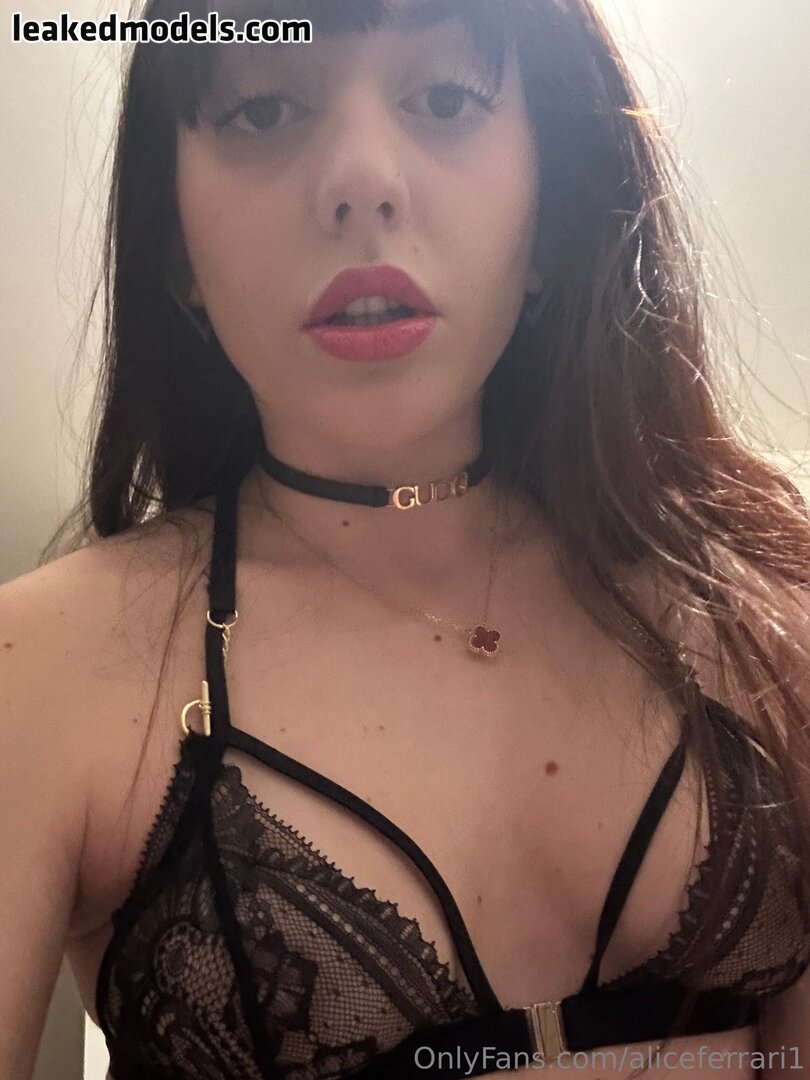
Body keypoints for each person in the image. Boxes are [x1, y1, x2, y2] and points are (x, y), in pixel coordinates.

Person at [3, 0, 810, 1077]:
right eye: (263, 110)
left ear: (551, 215)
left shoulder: (765, 611)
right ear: (174, 250)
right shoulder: (40, 674)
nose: (362, 179)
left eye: (444, 97)